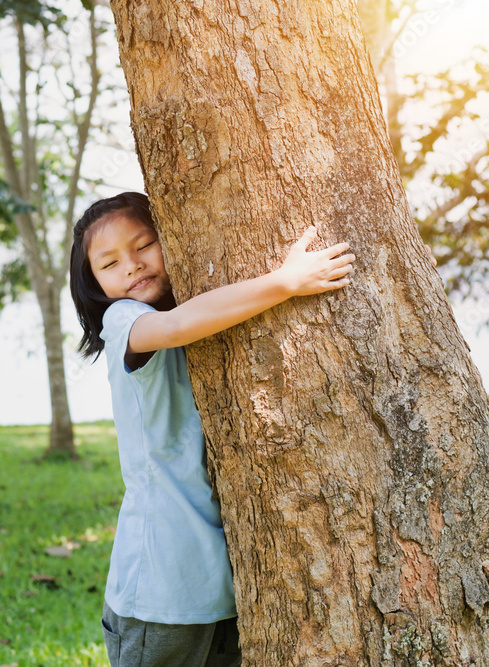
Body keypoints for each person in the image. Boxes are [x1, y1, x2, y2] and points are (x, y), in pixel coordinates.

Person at [69, 192, 355, 666]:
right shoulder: (123, 320)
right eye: (110, 262)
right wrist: (285, 282)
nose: (132, 266)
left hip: (222, 588)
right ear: (95, 283)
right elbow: (179, 324)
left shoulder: (195, 315)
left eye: (144, 245)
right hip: (160, 588)